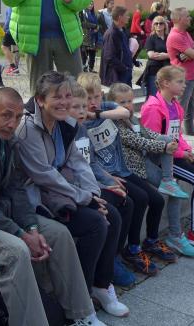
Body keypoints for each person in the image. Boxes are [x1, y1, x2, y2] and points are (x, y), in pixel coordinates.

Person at [0, 87, 106, 326]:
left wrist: (31, 227)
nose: (12, 123)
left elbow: (16, 189)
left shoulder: (8, 138)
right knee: (17, 251)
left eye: (17, 117)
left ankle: (80, 314)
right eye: (6, 115)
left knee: (59, 234)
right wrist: (21, 234)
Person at [15, 71, 130, 318]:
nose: (64, 102)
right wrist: (86, 199)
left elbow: (78, 162)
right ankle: (82, 301)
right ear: (40, 100)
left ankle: (101, 285)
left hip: (60, 192)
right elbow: (43, 175)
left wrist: (93, 194)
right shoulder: (27, 130)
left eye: (68, 96)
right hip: (36, 199)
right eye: (57, 97)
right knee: (95, 224)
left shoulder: (65, 124)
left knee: (112, 214)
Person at [77, 74, 160, 277]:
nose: (93, 102)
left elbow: (124, 112)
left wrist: (97, 115)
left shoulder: (104, 109)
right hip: (105, 174)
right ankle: (122, 253)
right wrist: (107, 178)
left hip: (121, 170)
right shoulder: (80, 123)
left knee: (154, 199)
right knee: (134, 200)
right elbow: (88, 161)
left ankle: (134, 247)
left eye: (96, 96)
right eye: (88, 98)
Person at [140, 66, 194, 251]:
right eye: (180, 81)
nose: (185, 85)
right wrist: (181, 153)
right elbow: (152, 142)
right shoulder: (153, 107)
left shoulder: (175, 105)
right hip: (161, 159)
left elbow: (177, 135)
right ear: (166, 83)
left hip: (176, 154)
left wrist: (186, 149)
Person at [108, 83, 188, 200]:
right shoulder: (114, 124)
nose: (127, 105)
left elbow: (147, 133)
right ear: (111, 104)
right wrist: (164, 147)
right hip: (135, 166)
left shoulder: (132, 118)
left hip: (145, 158)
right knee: (164, 198)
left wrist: (168, 142)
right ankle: (168, 182)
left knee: (166, 138)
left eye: (129, 101)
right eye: (122, 102)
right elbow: (137, 141)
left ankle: (168, 180)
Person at [166, 7, 194, 135]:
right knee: (180, 110)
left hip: (190, 77)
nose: (190, 18)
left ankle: (190, 135)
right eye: (187, 16)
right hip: (182, 79)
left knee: (190, 110)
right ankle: (175, 137)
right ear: (179, 19)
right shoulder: (176, 36)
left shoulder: (185, 34)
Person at [100, 5, 133, 86]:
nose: (128, 17)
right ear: (120, 17)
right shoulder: (112, 34)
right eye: (126, 15)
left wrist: (132, 62)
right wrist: (124, 68)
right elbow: (109, 57)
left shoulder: (122, 31)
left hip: (125, 74)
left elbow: (124, 50)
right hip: (116, 76)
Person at [140, 15, 170, 99]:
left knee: (164, 97)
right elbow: (151, 55)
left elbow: (175, 53)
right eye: (156, 23)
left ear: (165, 25)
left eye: (161, 23)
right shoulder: (151, 38)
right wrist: (168, 55)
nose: (158, 25)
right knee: (153, 97)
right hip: (154, 71)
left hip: (167, 71)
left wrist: (165, 55)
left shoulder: (168, 37)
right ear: (153, 25)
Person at [80, 2, 99, 72]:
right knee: (84, 54)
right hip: (85, 36)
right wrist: (94, 26)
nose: (90, 5)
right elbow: (83, 23)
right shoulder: (82, 13)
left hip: (93, 37)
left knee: (92, 54)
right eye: (89, 4)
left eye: (92, 4)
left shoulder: (94, 14)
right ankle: (84, 67)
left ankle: (91, 68)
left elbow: (97, 24)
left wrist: (97, 28)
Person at [1, 6, 20, 75]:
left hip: (10, 30)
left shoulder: (10, 6)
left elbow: (9, 18)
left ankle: (13, 67)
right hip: (17, 29)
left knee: (4, 47)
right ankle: (16, 68)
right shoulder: (17, 5)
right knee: (15, 48)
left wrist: (4, 28)